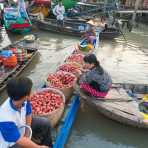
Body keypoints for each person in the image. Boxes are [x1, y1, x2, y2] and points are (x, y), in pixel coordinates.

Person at [0, 77, 53, 148]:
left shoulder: (22, 100)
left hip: (21, 128)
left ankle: (47, 146)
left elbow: (28, 113)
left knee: (45, 123)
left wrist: (27, 131)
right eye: (31, 91)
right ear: (26, 96)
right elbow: (18, 140)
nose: (33, 92)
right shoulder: (5, 119)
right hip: (11, 143)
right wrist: (37, 147)